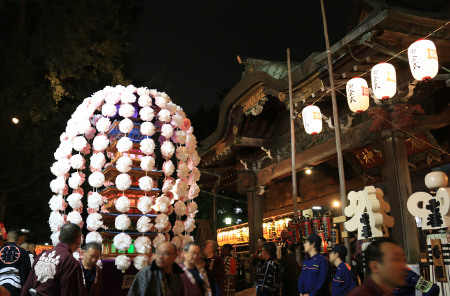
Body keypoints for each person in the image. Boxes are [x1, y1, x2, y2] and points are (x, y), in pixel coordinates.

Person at [20, 223, 86, 296]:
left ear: (59, 237)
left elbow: (28, 285)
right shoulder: (70, 262)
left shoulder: (42, 255)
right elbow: (68, 292)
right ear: (78, 241)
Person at [0, 228, 31, 296]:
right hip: (16, 286)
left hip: (1, 286)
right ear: (18, 239)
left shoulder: (0, 250)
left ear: (7, 237)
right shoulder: (23, 252)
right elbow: (25, 272)